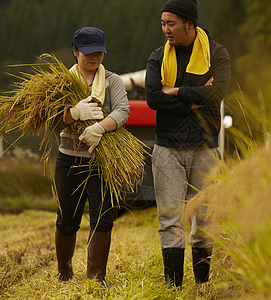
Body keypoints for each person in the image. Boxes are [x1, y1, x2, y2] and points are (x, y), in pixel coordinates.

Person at [145, 0, 231, 287]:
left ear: (189, 24)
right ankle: (174, 288)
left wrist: (177, 91)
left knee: (205, 220)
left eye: (171, 23)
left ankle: (202, 286)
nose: (165, 29)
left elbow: (217, 93)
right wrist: (194, 100)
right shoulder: (157, 57)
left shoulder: (217, 54)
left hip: (206, 148)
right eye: (163, 23)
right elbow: (154, 99)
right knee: (170, 220)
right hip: (167, 148)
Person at [53, 27, 129, 287]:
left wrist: (100, 127)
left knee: (103, 216)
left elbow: (122, 111)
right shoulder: (62, 83)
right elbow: (50, 120)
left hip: (103, 161)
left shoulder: (112, 81)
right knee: (67, 219)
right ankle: (64, 272)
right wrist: (73, 113)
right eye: (88, 53)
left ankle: (97, 278)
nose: (94, 58)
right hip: (69, 159)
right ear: (75, 52)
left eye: (99, 53)